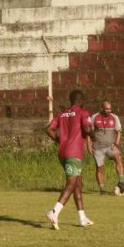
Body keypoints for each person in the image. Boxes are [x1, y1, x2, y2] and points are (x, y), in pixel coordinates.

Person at [45, 89, 95, 230]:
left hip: (63, 152)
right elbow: (87, 128)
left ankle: (82, 218)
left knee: (78, 184)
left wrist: (59, 140)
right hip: (74, 153)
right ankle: (54, 212)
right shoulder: (83, 112)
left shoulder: (62, 114)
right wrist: (94, 136)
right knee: (71, 184)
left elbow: (48, 129)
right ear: (80, 100)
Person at [87, 101, 124, 195]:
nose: (109, 111)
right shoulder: (94, 117)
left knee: (118, 157)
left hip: (110, 147)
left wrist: (116, 144)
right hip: (98, 148)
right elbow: (88, 132)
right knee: (99, 168)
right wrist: (88, 146)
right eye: (106, 109)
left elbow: (118, 132)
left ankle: (121, 180)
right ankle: (102, 189)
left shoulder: (115, 117)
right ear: (102, 108)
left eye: (110, 109)